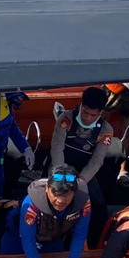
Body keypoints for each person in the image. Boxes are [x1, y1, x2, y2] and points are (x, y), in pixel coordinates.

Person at [0, 165, 91, 258]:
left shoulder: (84, 202)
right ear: (47, 188)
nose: (60, 200)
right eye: (56, 194)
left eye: (66, 195)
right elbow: (27, 241)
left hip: (53, 237)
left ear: (74, 192)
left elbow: (80, 235)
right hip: (18, 237)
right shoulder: (31, 203)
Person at [50, 86, 113, 247]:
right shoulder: (66, 119)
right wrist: (61, 175)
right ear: (81, 105)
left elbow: (97, 160)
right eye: (85, 112)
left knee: (98, 204)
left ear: (100, 113)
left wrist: (82, 180)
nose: (87, 118)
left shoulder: (106, 130)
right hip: (60, 166)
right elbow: (57, 148)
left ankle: (94, 244)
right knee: (51, 196)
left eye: (93, 115)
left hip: (84, 172)